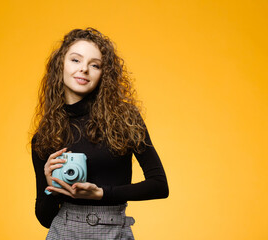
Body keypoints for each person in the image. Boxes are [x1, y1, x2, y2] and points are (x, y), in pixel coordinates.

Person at [30, 27, 169, 240]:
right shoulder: (45, 135)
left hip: (114, 231)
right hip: (63, 231)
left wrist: (102, 193)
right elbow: (45, 219)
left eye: (94, 65)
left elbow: (159, 186)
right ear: (60, 66)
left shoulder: (124, 118)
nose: (84, 69)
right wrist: (51, 187)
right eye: (76, 60)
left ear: (103, 74)